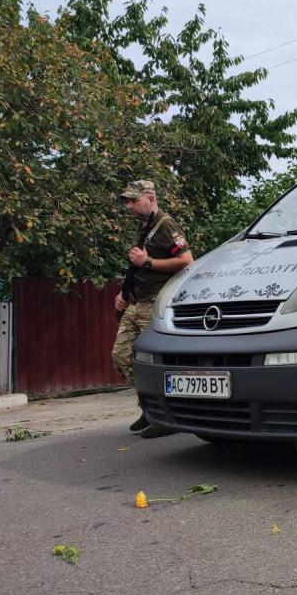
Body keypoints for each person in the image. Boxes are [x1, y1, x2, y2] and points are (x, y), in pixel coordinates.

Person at [112, 180, 194, 437]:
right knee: (121, 356)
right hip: (137, 302)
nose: (129, 206)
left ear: (151, 198)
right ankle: (151, 409)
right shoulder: (144, 227)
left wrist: (147, 262)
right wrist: (124, 294)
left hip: (156, 302)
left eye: (134, 200)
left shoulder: (166, 225)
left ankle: (165, 415)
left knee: (157, 362)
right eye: (128, 201)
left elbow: (186, 261)